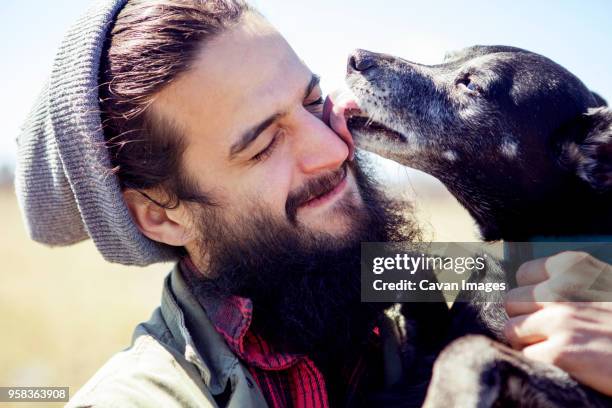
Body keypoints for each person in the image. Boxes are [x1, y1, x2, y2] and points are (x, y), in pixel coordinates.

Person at [14, 0, 612, 406]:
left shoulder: (383, 274)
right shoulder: (143, 397)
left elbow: (545, 265)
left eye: (312, 100)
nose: (333, 146)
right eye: (263, 144)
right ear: (161, 214)